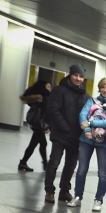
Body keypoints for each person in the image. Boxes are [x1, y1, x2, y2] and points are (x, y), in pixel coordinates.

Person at [67, 78, 106, 212]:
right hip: (86, 140)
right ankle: (78, 196)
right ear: (99, 88)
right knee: (81, 169)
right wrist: (86, 130)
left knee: (102, 172)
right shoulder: (91, 101)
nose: (105, 90)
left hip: (105, 143)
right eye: (103, 87)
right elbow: (82, 115)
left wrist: (91, 124)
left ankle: (98, 200)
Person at [44, 64, 90, 204]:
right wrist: (65, 127)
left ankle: (64, 191)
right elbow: (53, 110)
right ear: (70, 75)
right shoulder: (59, 91)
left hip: (77, 137)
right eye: (76, 75)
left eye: (81, 76)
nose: (78, 78)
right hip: (61, 134)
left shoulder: (86, 96)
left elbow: (88, 115)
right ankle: (49, 191)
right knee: (54, 163)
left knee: (70, 166)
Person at [18, 80, 51, 172]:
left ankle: (45, 163)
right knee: (33, 144)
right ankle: (24, 162)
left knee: (43, 143)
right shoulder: (44, 97)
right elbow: (45, 113)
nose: (50, 88)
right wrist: (46, 126)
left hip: (35, 124)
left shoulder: (37, 97)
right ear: (43, 87)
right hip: (40, 125)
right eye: (48, 86)